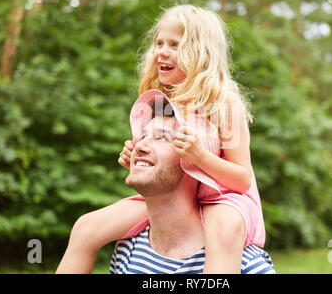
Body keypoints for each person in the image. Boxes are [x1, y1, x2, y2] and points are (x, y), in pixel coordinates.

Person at [56, 4, 266, 274]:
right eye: (159, 43)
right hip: (182, 199)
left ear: (201, 53)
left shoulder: (225, 105)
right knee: (87, 227)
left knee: (224, 229)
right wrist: (137, 158)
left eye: (175, 45)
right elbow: (166, 165)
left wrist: (200, 157)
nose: (161, 52)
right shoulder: (162, 97)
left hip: (225, 199)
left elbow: (241, 179)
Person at [109, 93, 275, 274]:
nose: (138, 146)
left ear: (194, 163)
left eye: (162, 137)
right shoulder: (126, 253)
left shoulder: (245, 266)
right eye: (142, 136)